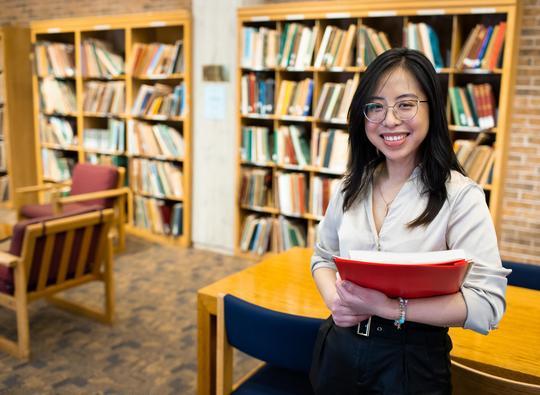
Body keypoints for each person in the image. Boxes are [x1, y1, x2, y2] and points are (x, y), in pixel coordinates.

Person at [309, 48, 511, 395]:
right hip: (338, 349)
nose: (389, 120)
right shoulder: (350, 186)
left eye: (405, 104)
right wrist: (334, 301)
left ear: (431, 108)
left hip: (410, 361)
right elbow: (323, 257)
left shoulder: (460, 197)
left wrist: (390, 308)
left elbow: (487, 304)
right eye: (376, 106)